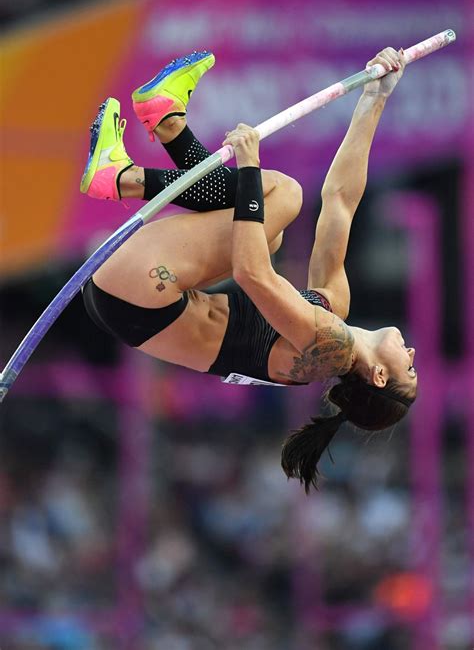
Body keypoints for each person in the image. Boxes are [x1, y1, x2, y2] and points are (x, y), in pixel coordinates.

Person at [81, 48, 416, 492]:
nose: (412, 356)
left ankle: (122, 177)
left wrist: (250, 167)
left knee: (282, 196)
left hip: (142, 295)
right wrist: (375, 98)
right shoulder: (333, 308)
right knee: (272, 231)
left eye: (408, 370)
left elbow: (252, 274)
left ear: (377, 376)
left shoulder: (329, 347)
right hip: (138, 300)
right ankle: (167, 122)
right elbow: (340, 201)